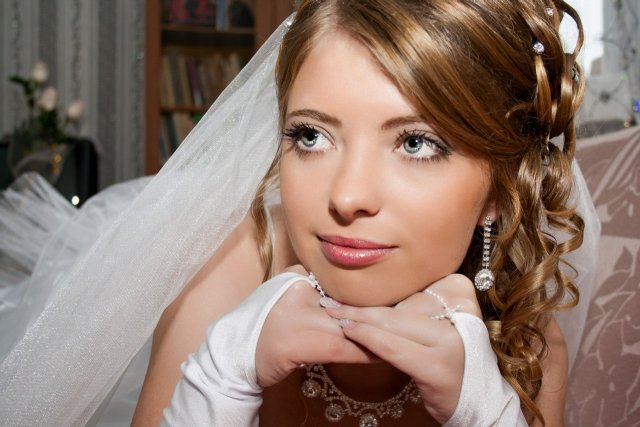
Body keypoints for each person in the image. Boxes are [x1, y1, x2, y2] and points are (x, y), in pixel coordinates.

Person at [0, 0, 599, 426]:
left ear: (499, 187)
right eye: (311, 136)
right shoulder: (225, 269)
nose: (347, 195)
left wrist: (484, 411)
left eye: (416, 142)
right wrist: (226, 372)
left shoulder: (527, 342)